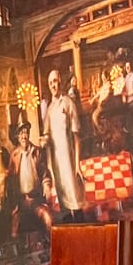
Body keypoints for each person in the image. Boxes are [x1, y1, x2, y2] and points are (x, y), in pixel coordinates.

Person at [38, 69, 86, 214]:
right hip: (56, 163)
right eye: (50, 82)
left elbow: (77, 138)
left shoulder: (69, 103)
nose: (53, 85)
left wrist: (77, 165)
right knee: (63, 203)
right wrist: (43, 141)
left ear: (60, 82)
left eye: (55, 81)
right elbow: (46, 136)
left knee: (75, 201)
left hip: (69, 160)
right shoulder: (50, 110)